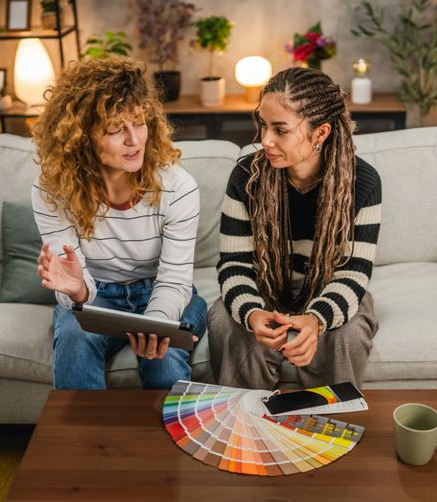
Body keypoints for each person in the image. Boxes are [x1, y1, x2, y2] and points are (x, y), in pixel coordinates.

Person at [31, 57, 207, 390]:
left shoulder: (178, 187)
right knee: (73, 339)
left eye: (139, 123)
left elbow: (174, 281)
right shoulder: (52, 190)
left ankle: (165, 441)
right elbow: (76, 289)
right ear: (82, 137)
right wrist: (77, 290)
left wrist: (155, 325)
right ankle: (86, 443)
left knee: (163, 358)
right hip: (98, 296)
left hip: (159, 288)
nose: (135, 140)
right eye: (115, 129)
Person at [208, 66, 382, 390]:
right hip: (263, 290)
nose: (265, 140)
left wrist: (316, 321)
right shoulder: (246, 177)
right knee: (223, 321)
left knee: (348, 333)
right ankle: (246, 426)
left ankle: (328, 430)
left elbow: (353, 273)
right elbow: (234, 264)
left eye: (280, 130)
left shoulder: (363, 183)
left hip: (329, 290)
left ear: (321, 133)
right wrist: (251, 314)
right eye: (263, 125)